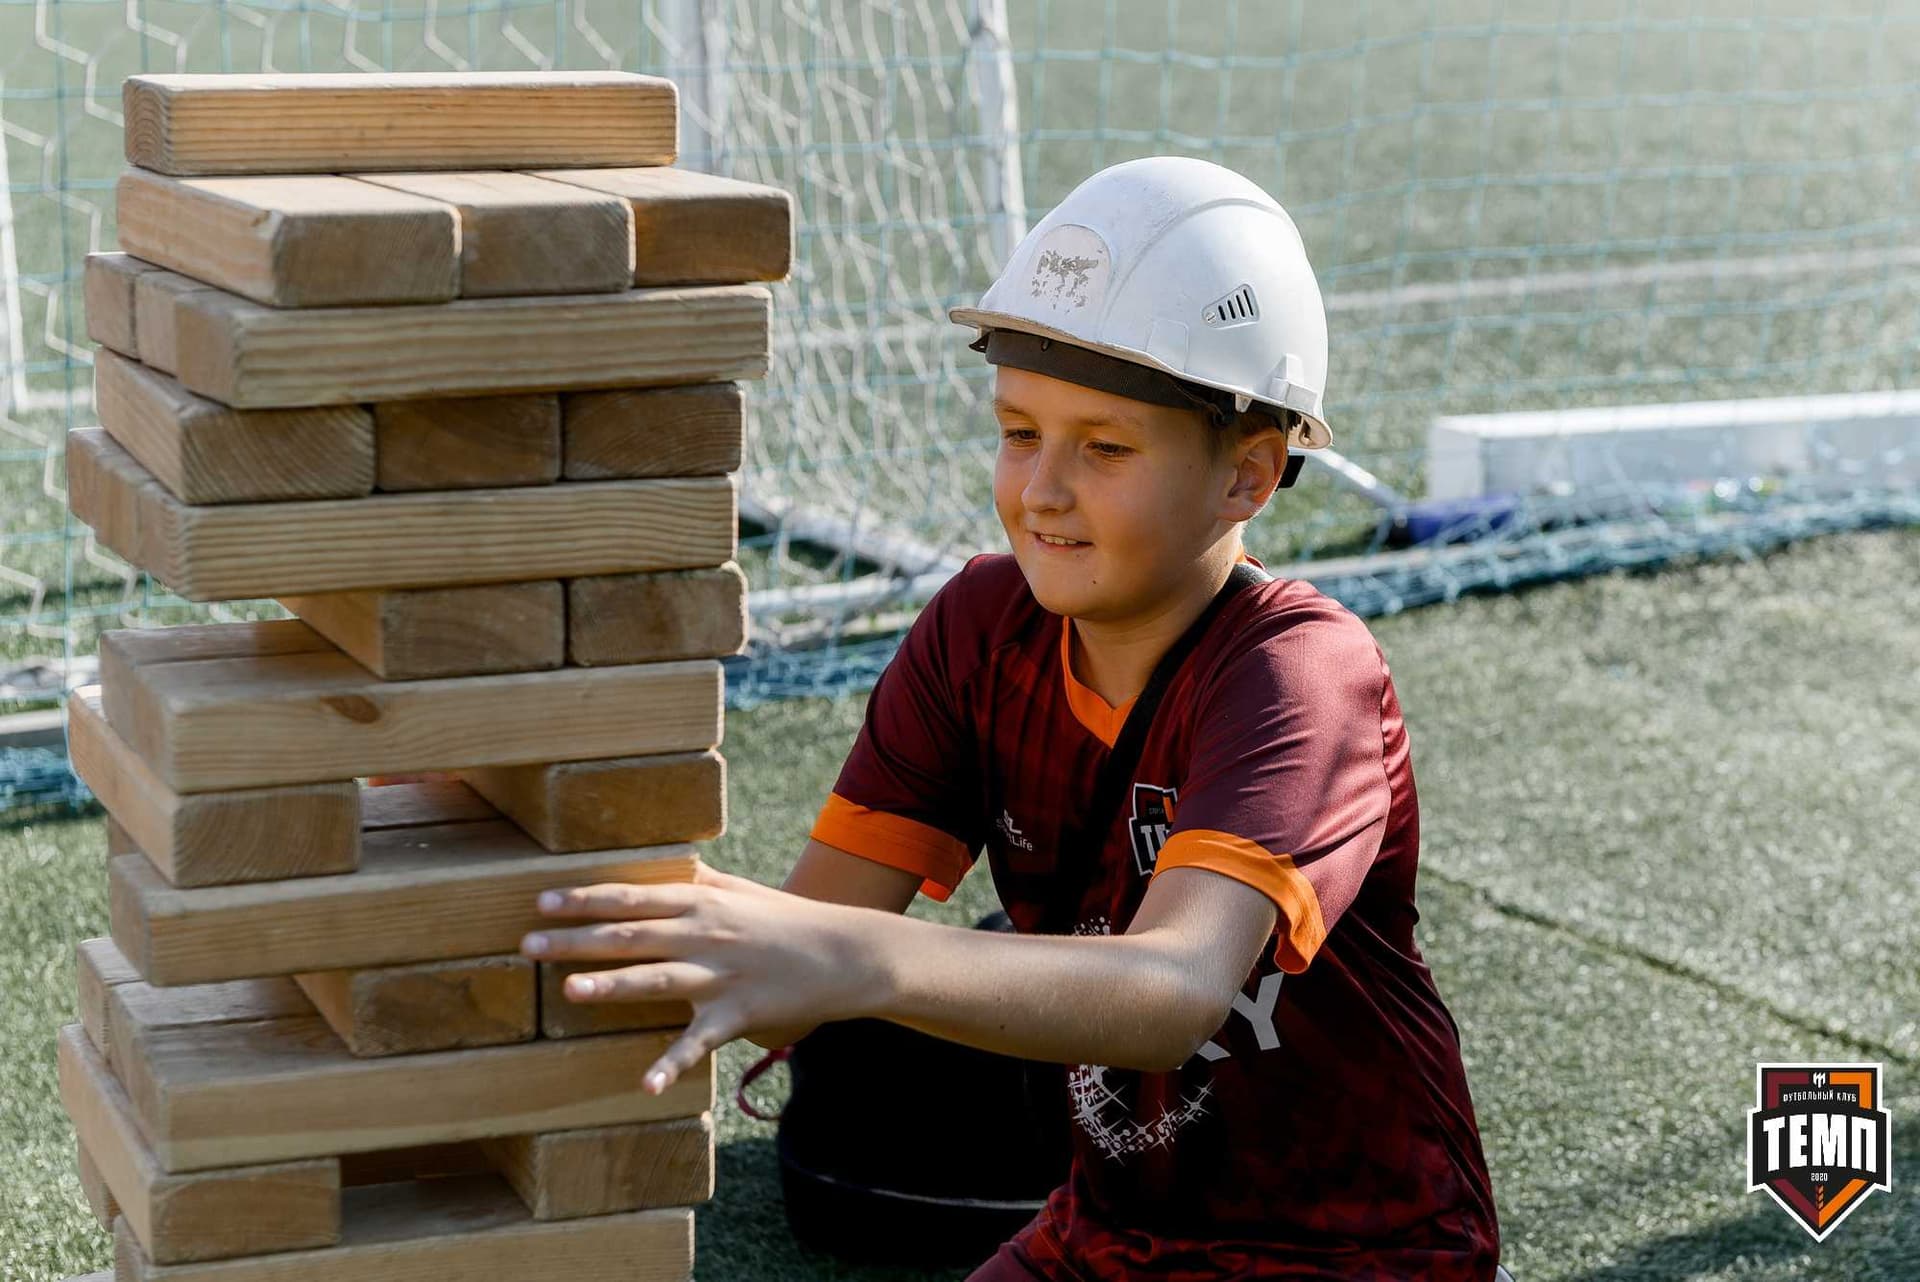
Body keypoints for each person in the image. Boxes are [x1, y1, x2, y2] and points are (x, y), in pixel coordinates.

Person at [519, 156, 1504, 1280]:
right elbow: (811, 927)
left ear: (1250, 475)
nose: (1041, 488)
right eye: (1020, 429)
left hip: (1355, 1251)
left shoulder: (1300, 672)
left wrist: (846, 959)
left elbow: (1171, 992)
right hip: (1112, 1232)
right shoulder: (982, 626)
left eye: (1107, 447)